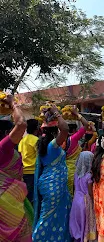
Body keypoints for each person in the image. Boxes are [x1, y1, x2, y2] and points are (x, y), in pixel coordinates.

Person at [33, 105, 71, 242]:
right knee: (48, 217)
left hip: (50, 185)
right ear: (55, 132)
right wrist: (57, 112)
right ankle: (36, 238)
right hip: (54, 186)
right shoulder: (53, 145)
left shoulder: (44, 145)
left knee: (51, 215)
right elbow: (65, 129)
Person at [0, 94, 33, 242]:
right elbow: (21, 124)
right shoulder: (4, 147)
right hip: (9, 205)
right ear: (8, 134)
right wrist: (13, 103)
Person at [64, 107, 90, 197]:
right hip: (75, 171)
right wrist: (77, 114)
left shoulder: (61, 140)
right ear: (75, 130)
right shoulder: (73, 138)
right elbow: (86, 125)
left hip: (64, 171)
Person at [70, 151, 96, 242]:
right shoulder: (89, 176)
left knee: (77, 221)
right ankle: (84, 239)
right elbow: (90, 192)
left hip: (76, 200)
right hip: (85, 201)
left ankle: (76, 237)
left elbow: (74, 188)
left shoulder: (76, 175)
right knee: (85, 223)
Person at [18, 119, 40, 204]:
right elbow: (39, 155)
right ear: (36, 128)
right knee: (34, 197)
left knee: (28, 196)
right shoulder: (36, 140)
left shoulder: (22, 140)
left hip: (24, 171)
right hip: (34, 171)